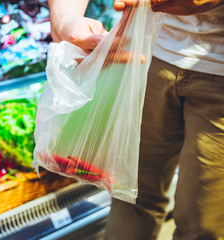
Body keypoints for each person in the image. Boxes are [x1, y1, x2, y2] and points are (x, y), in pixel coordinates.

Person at [48, 0, 224, 239]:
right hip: (144, 52)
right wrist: (64, 19)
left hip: (218, 72)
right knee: (129, 197)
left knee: (204, 222)